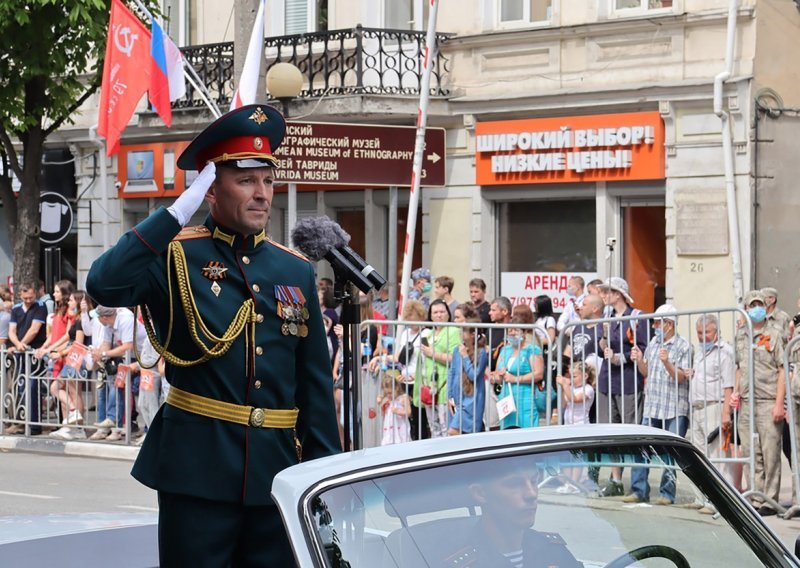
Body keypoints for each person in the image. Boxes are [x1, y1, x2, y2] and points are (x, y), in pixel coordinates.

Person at [86, 103, 340, 566]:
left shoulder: (294, 270)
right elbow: (104, 283)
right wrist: (174, 213)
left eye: (267, 180)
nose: (262, 193)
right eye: (246, 181)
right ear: (211, 191)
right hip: (198, 471)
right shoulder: (175, 255)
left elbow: (315, 390)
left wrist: (324, 485)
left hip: (278, 474)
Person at [444, 459, 582, 567]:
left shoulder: (553, 552)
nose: (532, 494)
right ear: (480, 493)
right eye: (515, 484)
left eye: (534, 481)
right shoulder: (462, 563)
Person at [626, 304, 692, 505]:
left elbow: (681, 377)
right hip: (653, 404)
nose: (654, 326)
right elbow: (646, 372)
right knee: (642, 448)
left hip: (673, 407)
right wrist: (638, 361)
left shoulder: (684, 346)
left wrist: (667, 363)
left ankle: (666, 493)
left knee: (670, 452)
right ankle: (639, 490)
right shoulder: (654, 342)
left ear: (669, 324)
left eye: (657, 322)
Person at [596, 277, 648, 497]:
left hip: (628, 381)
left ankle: (639, 486)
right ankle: (615, 479)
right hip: (607, 380)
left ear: (617, 294)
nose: (604, 295)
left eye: (607, 291)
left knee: (631, 433)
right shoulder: (606, 318)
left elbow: (642, 348)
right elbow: (601, 348)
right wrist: (603, 343)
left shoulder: (637, 318)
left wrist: (621, 357)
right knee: (610, 434)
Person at [734, 290, 785, 516]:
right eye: (752, 304)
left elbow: (782, 370)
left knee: (770, 451)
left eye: (760, 304)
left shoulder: (775, 334)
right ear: (745, 308)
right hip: (746, 401)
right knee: (750, 451)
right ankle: (754, 495)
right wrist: (736, 392)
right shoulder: (741, 335)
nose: (756, 308)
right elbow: (739, 367)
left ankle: (769, 499)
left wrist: (779, 403)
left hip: (767, 400)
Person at [686, 313, 736, 513]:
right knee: (698, 455)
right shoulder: (699, 353)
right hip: (697, 407)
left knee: (717, 456)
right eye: (699, 332)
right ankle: (701, 496)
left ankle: (719, 501)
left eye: (706, 332)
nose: (702, 336)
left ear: (716, 331)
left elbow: (728, 384)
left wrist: (726, 413)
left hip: (714, 407)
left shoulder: (725, 352)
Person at [6, 282, 49, 435]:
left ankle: (34, 424)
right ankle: (20, 422)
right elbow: (11, 330)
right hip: (20, 353)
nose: (28, 300)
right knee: (19, 387)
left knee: (32, 387)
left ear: (35, 294)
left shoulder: (40, 306)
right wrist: (18, 344)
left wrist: (20, 344)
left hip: (34, 353)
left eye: (31, 297)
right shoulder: (17, 309)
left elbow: (34, 329)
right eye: (25, 298)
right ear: (20, 295)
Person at [418, 299, 460, 438]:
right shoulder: (428, 334)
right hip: (429, 387)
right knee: (433, 427)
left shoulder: (453, 331)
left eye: (442, 311)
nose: (439, 315)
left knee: (445, 426)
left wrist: (433, 354)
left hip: (444, 385)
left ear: (448, 314)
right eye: (435, 312)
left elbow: (456, 357)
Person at [494, 315, 545, 429]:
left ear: (524, 332)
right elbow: (496, 374)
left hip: (525, 398)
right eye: (509, 330)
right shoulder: (504, 350)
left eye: (515, 330)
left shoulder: (532, 349)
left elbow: (538, 374)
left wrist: (515, 379)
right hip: (506, 399)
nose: (511, 333)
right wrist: (499, 376)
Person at [447, 315, 488, 435]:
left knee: (454, 431)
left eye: (464, 330)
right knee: (460, 433)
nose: (461, 333)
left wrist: (465, 356)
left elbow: (473, 376)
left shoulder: (481, 353)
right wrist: (449, 395)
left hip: (471, 399)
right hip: (458, 397)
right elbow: (452, 372)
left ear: (473, 334)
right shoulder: (457, 350)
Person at [485, 296, 512, 431]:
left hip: (506, 382)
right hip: (491, 380)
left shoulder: (513, 330)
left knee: (507, 421)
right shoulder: (490, 329)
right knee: (492, 422)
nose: (489, 313)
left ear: (505, 311)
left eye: (493, 310)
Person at [378, 373, 411, 445]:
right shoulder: (387, 399)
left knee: (402, 444)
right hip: (389, 429)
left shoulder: (403, 398)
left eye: (390, 393)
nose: (388, 395)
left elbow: (408, 412)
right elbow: (383, 414)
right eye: (386, 393)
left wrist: (398, 411)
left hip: (400, 428)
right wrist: (380, 404)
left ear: (397, 388)